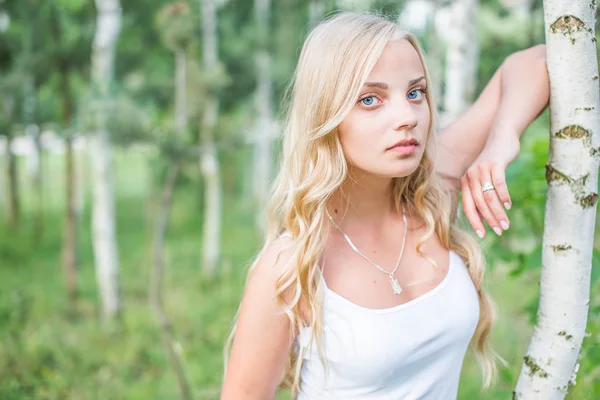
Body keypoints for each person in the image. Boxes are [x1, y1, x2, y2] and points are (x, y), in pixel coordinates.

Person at [221, 12, 549, 400]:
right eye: (370, 99)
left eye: (415, 93)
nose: (406, 118)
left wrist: (501, 138)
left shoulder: (432, 196)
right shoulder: (293, 264)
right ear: (327, 115)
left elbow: (541, 59)